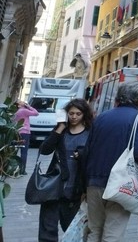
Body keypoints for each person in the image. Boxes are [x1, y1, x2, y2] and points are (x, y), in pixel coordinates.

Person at [84, 82, 138, 242]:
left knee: (93, 230)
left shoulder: (101, 117)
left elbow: (87, 149)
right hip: (120, 184)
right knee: (113, 233)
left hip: (94, 180)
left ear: (118, 98)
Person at [37, 98, 93, 242]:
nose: (74, 117)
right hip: (54, 186)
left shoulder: (90, 133)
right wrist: (60, 127)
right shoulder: (60, 131)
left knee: (72, 229)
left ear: (84, 115)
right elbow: (45, 150)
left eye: (78, 114)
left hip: (75, 189)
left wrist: (81, 154)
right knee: (47, 229)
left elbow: (93, 157)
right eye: (71, 113)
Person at [12, 100, 38, 175]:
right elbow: (36, 113)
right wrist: (28, 105)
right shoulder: (23, 110)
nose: (23, 101)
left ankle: (12, 168)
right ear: (19, 105)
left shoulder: (17, 112)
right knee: (24, 152)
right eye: (20, 101)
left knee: (15, 151)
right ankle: (22, 170)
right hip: (25, 132)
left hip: (17, 132)